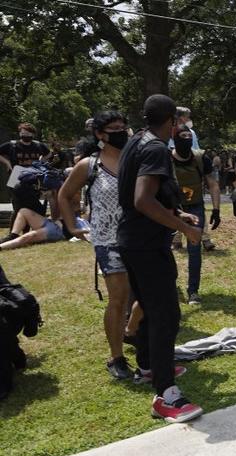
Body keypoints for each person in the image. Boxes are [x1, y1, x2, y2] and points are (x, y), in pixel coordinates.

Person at [117, 94, 204, 423]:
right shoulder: (155, 148)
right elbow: (142, 200)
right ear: (171, 121)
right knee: (167, 314)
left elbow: (144, 195)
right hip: (147, 245)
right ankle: (166, 396)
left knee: (151, 310)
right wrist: (184, 228)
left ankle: (148, 367)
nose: (181, 127)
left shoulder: (137, 140)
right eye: (179, 121)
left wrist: (177, 211)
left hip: (132, 240)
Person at [56, 110, 142, 380]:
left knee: (149, 294)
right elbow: (65, 194)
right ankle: (116, 357)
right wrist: (72, 226)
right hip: (108, 240)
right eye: (113, 128)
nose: (120, 132)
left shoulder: (136, 160)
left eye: (122, 127)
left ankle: (131, 331)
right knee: (117, 299)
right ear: (99, 134)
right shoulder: (88, 165)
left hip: (139, 237)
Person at [171, 124, 221, 304]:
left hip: (195, 208)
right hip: (171, 209)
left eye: (188, 136)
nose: (186, 139)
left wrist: (216, 209)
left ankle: (193, 291)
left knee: (194, 249)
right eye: (181, 136)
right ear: (174, 138)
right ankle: (170, 286)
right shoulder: (165, 159)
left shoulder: (200, 158)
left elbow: (213, 184)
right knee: (164, 249)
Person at [0, 123, 52, 229]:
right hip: (16, 174)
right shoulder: (12, 145)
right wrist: (7, 162)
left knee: (32, 203)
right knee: (17, 205)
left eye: (27, 133)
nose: (24, 135)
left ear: (32, 134)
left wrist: (41, 162)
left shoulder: (38, 145)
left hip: (33, 175)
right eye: (22, 132)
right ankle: (14, 231)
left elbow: (48, 153)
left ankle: (29, 228)